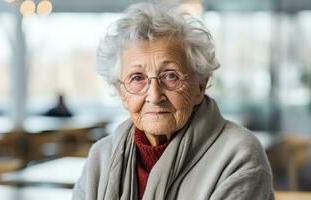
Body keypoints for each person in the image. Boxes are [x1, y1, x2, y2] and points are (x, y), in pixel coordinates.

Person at [73, 3, 274, 200]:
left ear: (200, 87)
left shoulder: (239, 154)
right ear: (121, 92)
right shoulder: (101, 157)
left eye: (170, 76)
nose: (154, 96)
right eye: (137, 78)